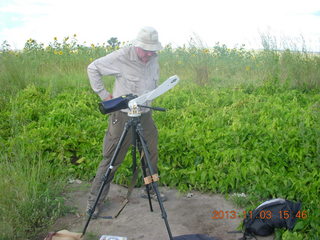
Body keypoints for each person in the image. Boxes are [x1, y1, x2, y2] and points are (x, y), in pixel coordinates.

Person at [86, 26, 166, 219]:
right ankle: (94, 201)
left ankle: (150, 189)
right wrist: (105, 95)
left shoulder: (153, 58)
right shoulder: (121, 56)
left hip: (145, 115)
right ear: (137, 44)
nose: (149, 54)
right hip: (122, 116)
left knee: (150, 155)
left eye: (152, 50)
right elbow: (93, 68)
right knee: (112, 159)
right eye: (146, 50)